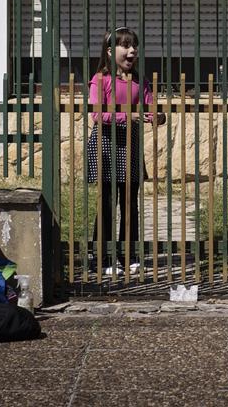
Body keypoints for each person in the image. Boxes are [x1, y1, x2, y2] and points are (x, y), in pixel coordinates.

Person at [87, 27, 165, 278]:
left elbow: (152, 108)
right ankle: (103, 256)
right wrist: (131, 115)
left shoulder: (139, 82)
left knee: (130, 204)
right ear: (110, 52)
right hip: (106, 145)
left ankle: (128, 254)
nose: (132, 51)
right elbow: (97, 114)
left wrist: (158, 116)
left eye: (134, 46)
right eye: (126, 46)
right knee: (108, 203)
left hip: (130, 146)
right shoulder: (101, 80)